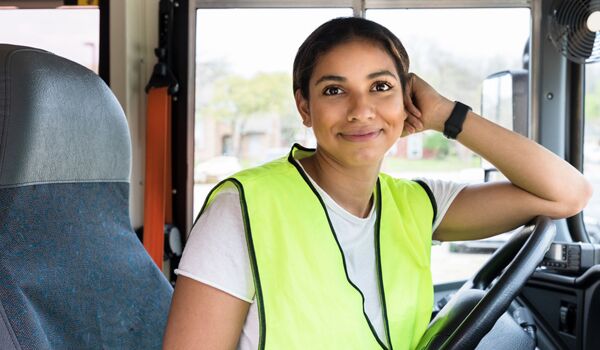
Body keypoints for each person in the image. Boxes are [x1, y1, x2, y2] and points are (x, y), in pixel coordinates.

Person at [162, 17, 592, 350]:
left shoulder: (419, 204)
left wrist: (446, 115)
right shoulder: (243, 208)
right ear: (304, 107)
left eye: (381, 87)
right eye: (334, 91)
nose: (361, 110)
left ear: (407, 100)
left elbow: (567, 193)